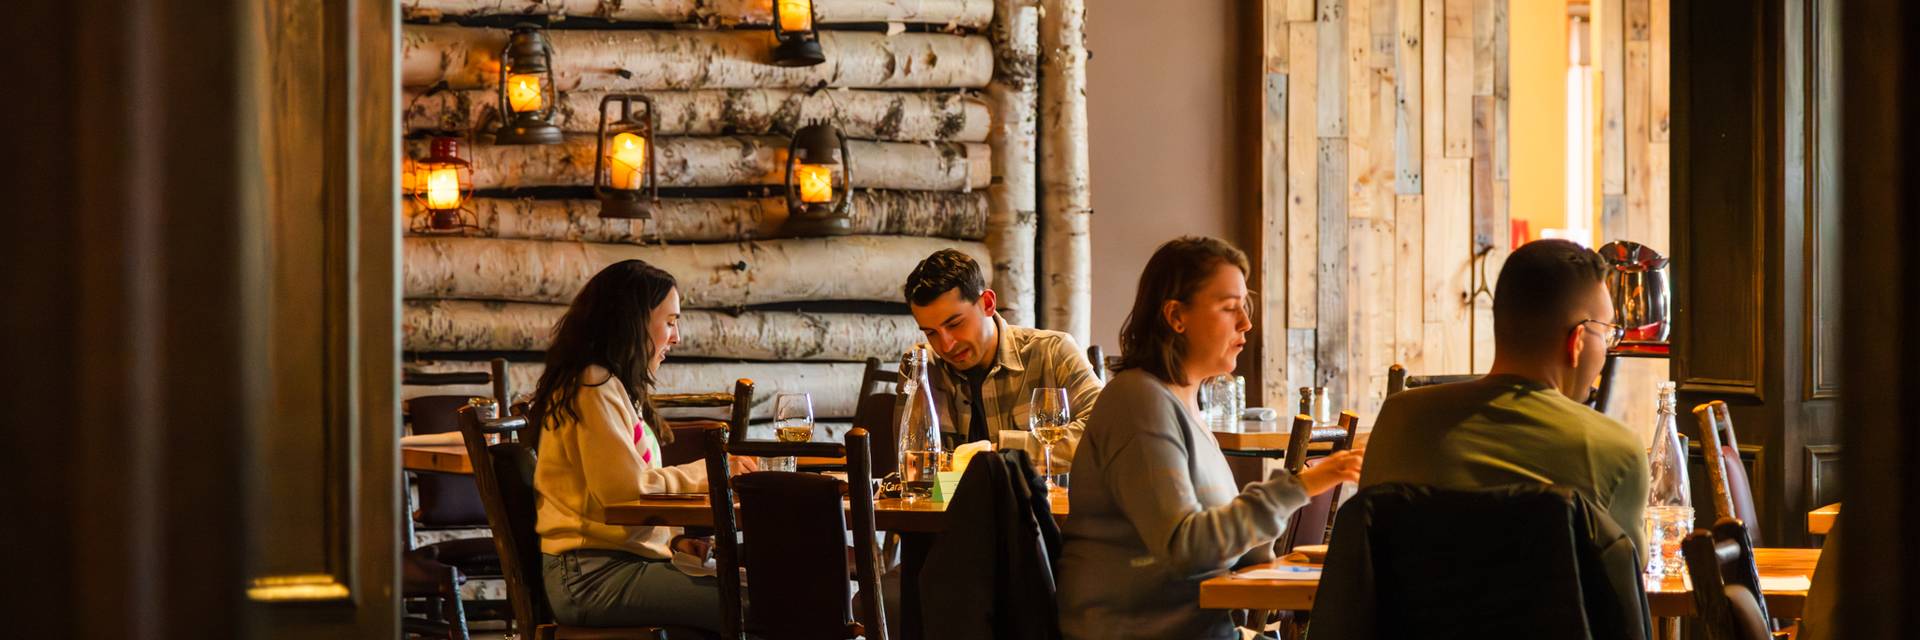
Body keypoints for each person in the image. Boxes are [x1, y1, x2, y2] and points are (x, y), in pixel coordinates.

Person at [1056, 237, 1363, 640]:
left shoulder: (1183, 404)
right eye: (1229, 308)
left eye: (1244, 308)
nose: (1246, 324)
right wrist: (1304, 485)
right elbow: (1187, 549)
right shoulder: (1138, 400)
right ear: (1176, 316)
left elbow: (1229, 550)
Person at [1359, 238, 1650, 555]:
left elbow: (1365, 559)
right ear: (1577, 341)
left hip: (1407, 607)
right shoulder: (1617, 451)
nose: (1607, 349)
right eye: (1606, 333)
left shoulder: (1399, 419)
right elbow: (1630, 585)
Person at [528, 259, 759, 631]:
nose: (676, 337)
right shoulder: (591, 386)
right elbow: (625, 492)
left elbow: (627, 490)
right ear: (633, 321)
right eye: (669, 322)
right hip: (590, 578)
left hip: (619, 565)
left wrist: (675, 542)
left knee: (774, 596)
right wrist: (712, 471)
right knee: (763, 605)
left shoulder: (610, 385)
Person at [903, 249, 1103, 471]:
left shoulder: (1053, 352)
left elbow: (1104, 435)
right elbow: (914, 463)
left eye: (955, 324)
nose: (946, 345)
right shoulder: (920, 366)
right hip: (953, 507)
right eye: (931, 333)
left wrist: (1000, 452)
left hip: (1039, 505)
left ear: (988, 303)